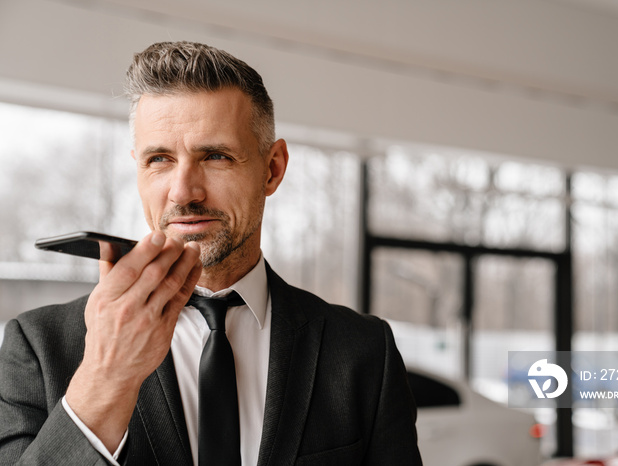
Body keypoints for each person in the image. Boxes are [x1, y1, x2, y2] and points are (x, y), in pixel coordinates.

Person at [0, 41, 422, 465]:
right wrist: (106, 379)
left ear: (272, 168)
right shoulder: (38, 347)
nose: (183, 191)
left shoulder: (365, 353)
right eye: (159, 159)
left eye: (216, 156)